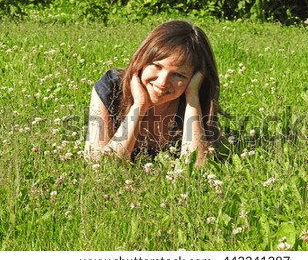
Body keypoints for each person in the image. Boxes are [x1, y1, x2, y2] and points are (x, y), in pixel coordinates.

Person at [84, 20, 220, 165]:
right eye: (156, 66)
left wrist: (192, 98)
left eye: (179, 75)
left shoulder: (196, 99)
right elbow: (100, 165)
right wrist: (139, 107)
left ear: (195, 79)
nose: (162, 82)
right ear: (141, 60)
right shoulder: (110, 89)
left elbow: (196, 169)